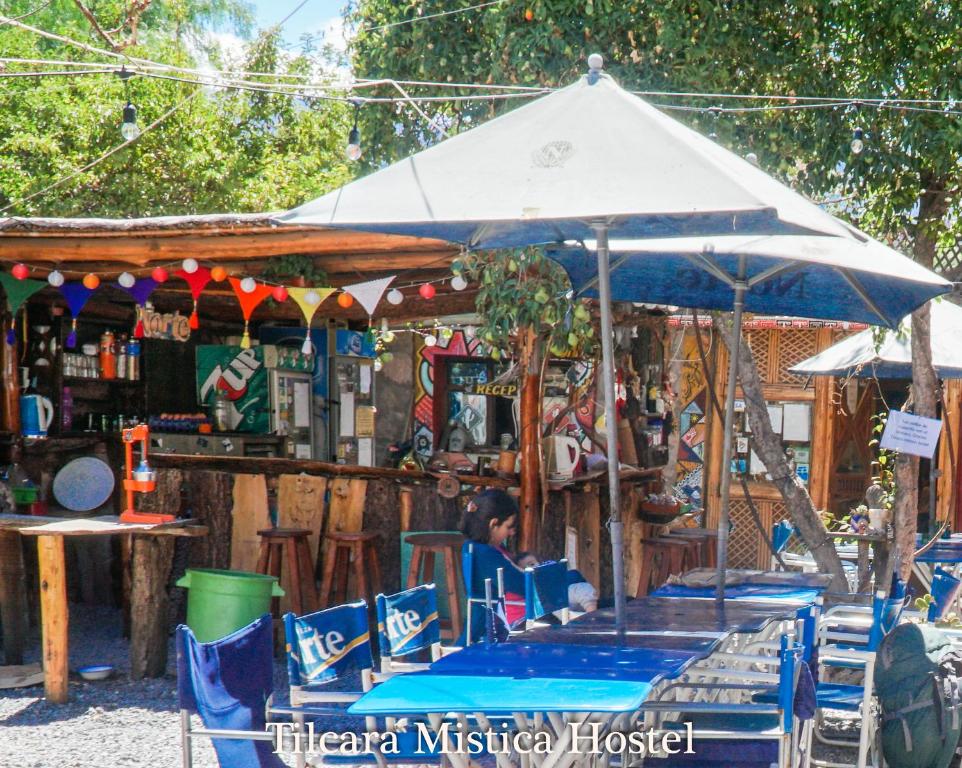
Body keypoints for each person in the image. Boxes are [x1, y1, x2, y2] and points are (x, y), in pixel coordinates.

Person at [459, 489, 527, 641]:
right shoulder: (486, 553)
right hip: (485, 631)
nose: (511, 533)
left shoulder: (472, 546)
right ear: (493, 524)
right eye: (508, 527)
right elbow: (521, 585)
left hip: (481, 623)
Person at [515, 551, 599, 613]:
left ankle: (592, 616)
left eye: (532, 564)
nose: (532, 569)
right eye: (525, 569)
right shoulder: (527, 592)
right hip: (554, 609)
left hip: (568, 600)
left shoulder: (550, 576)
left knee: (579, 585)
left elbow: (578, 588)